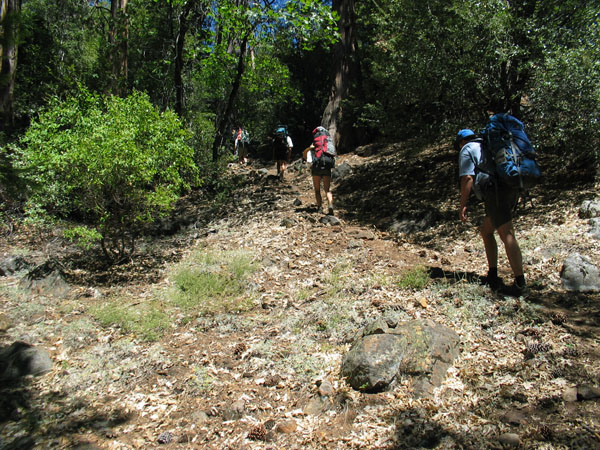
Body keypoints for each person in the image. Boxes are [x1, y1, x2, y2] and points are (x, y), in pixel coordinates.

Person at [456, 128, 527, 296]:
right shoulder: (487, 145)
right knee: (486, 231)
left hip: (495, 192)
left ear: (461, 142)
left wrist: (462, 204)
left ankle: (520, 284)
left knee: (506, 233)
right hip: (509, 188)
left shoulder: (467, 149)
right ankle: (493, 274)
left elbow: (467, 178)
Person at [303, 141, 334, 215]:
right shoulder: (327, 147)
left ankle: (319, 207)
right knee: (327, 190)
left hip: (316, 170)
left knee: (317, 190)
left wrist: (309, 149)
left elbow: (307, 159)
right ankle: (330, 205)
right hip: (327, 169)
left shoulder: (313, 150)